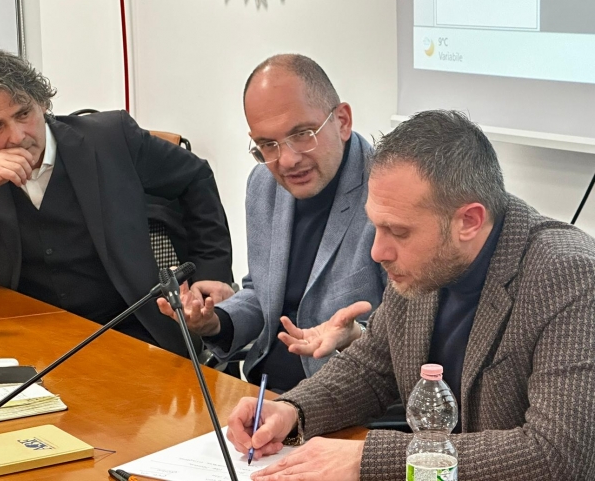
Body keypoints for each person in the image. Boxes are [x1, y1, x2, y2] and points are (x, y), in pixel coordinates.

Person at [226, 110, 595, 480]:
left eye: (398, 232)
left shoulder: (569, 277)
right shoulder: (424, 265)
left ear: (469, 221)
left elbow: (557, 454)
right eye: (375, 226)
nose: (378, 252)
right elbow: (370, 369)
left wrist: (368, 460)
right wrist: (293, 411)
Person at [0, 46, 233, 357]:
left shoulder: (112, 138)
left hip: (130, 328)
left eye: (23, 114)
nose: (17, 136)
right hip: (24, 333)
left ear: (42, 103)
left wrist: (212, 272)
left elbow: (195, 177)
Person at [158, 54, 385, 392]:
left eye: (303, 134)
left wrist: (355, 336)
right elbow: (262, 294)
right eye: (268, 144)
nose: (288, 160)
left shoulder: (388, 192)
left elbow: (411, 337)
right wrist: (215, 321)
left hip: (344, 399)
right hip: (261, 391)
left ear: (342, 121)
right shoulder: (263, 185)